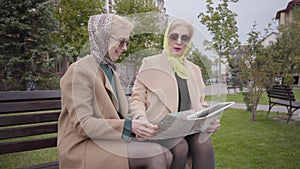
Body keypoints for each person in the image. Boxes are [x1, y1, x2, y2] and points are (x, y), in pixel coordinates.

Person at [58, 14, 172, 169]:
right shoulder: (79, 70)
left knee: (168, 153)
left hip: (107, 142)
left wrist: (143, 124)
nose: (124, 48)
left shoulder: (109, 69)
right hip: (82, 148)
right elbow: (83, 125)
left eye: (127, 43)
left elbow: (122, 114)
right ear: (102, 37)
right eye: (121, 42)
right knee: (155, 154)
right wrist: (129, 127)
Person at [129, 18, 220, 169]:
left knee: (204, 143)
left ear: (189, 42)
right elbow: (137, 99)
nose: (179, 42)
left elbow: (201, 104)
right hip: (158, 128)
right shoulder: (150, 63)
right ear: (166, 38)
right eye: (174, 36)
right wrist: (141, 119)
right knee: (180, 146)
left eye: (184, 38)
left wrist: (210, 120)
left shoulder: (195, 70)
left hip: (188, 128)